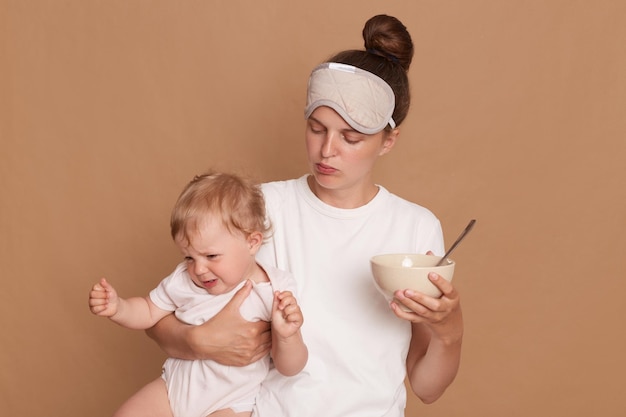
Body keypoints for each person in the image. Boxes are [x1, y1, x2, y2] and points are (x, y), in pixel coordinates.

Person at [147, 14, 464, 417]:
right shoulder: (262, 208)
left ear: (388, 140)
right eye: (317, 129)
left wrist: (450, 331)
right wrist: (198, 342)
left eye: (351, 137)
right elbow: (163, 313)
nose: (327, 150)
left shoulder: (416, 228)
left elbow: (426, 387)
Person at [88, 172, 308, 417]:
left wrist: (288, 336)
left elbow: (290, 368)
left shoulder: (275, 290)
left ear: (252, 242)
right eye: (189, 257)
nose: (199, 269)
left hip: (229, 404)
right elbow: (149, 311)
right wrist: (118, 307)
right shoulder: (184, 278)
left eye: (211, 256)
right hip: (172, 390)